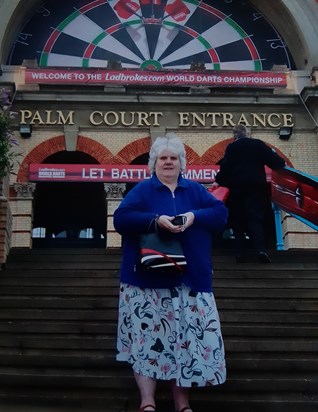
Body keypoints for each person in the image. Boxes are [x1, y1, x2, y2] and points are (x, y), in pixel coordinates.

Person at [114, 133, 228, 412]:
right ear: (154, 163)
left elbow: (221, 215)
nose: (168, 162)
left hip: (189, 280)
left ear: (181, 163)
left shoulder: (195, 191)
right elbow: (120, 219)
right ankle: (147, 401)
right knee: (146, 343)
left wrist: (194, 216)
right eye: (163, 158)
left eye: (173, 158)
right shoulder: (143, 190)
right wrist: (155, 221)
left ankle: (182, 402)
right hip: (147, 281)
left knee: (184, 343)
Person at [212, 124, 286, 263]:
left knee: (237, 219)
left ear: (235, 136)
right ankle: (261, 250)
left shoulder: (231, 148)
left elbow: (225, 167)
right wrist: (282, 164)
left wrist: (218, 181)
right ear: (247, 134)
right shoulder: (257, 144)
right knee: (255, 218)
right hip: (256, 188)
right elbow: (275, 161)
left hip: (236, 189)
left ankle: (239, 252)